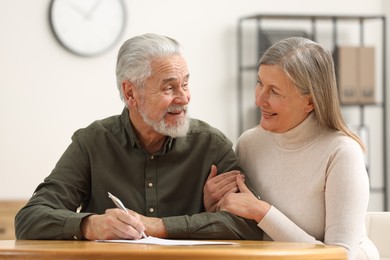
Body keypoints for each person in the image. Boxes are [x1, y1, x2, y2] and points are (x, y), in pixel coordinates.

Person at [15, 33, 263, 241]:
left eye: (185, 84)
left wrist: (157, 226)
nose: (184, 97)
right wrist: (91, 225)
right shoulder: (92, 142)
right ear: (130, 92)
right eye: (169, 87)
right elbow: (30, 219)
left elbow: (248, 225)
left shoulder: (211, 145)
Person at [213, 37, 379, 259]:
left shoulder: (342, 152)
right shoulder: (249, 144)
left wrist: (262, 212)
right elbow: (239, 230)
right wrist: (214, 204)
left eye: (275, 91)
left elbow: (342, 255)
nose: (260, 99)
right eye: (260, 83)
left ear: (310, 102)